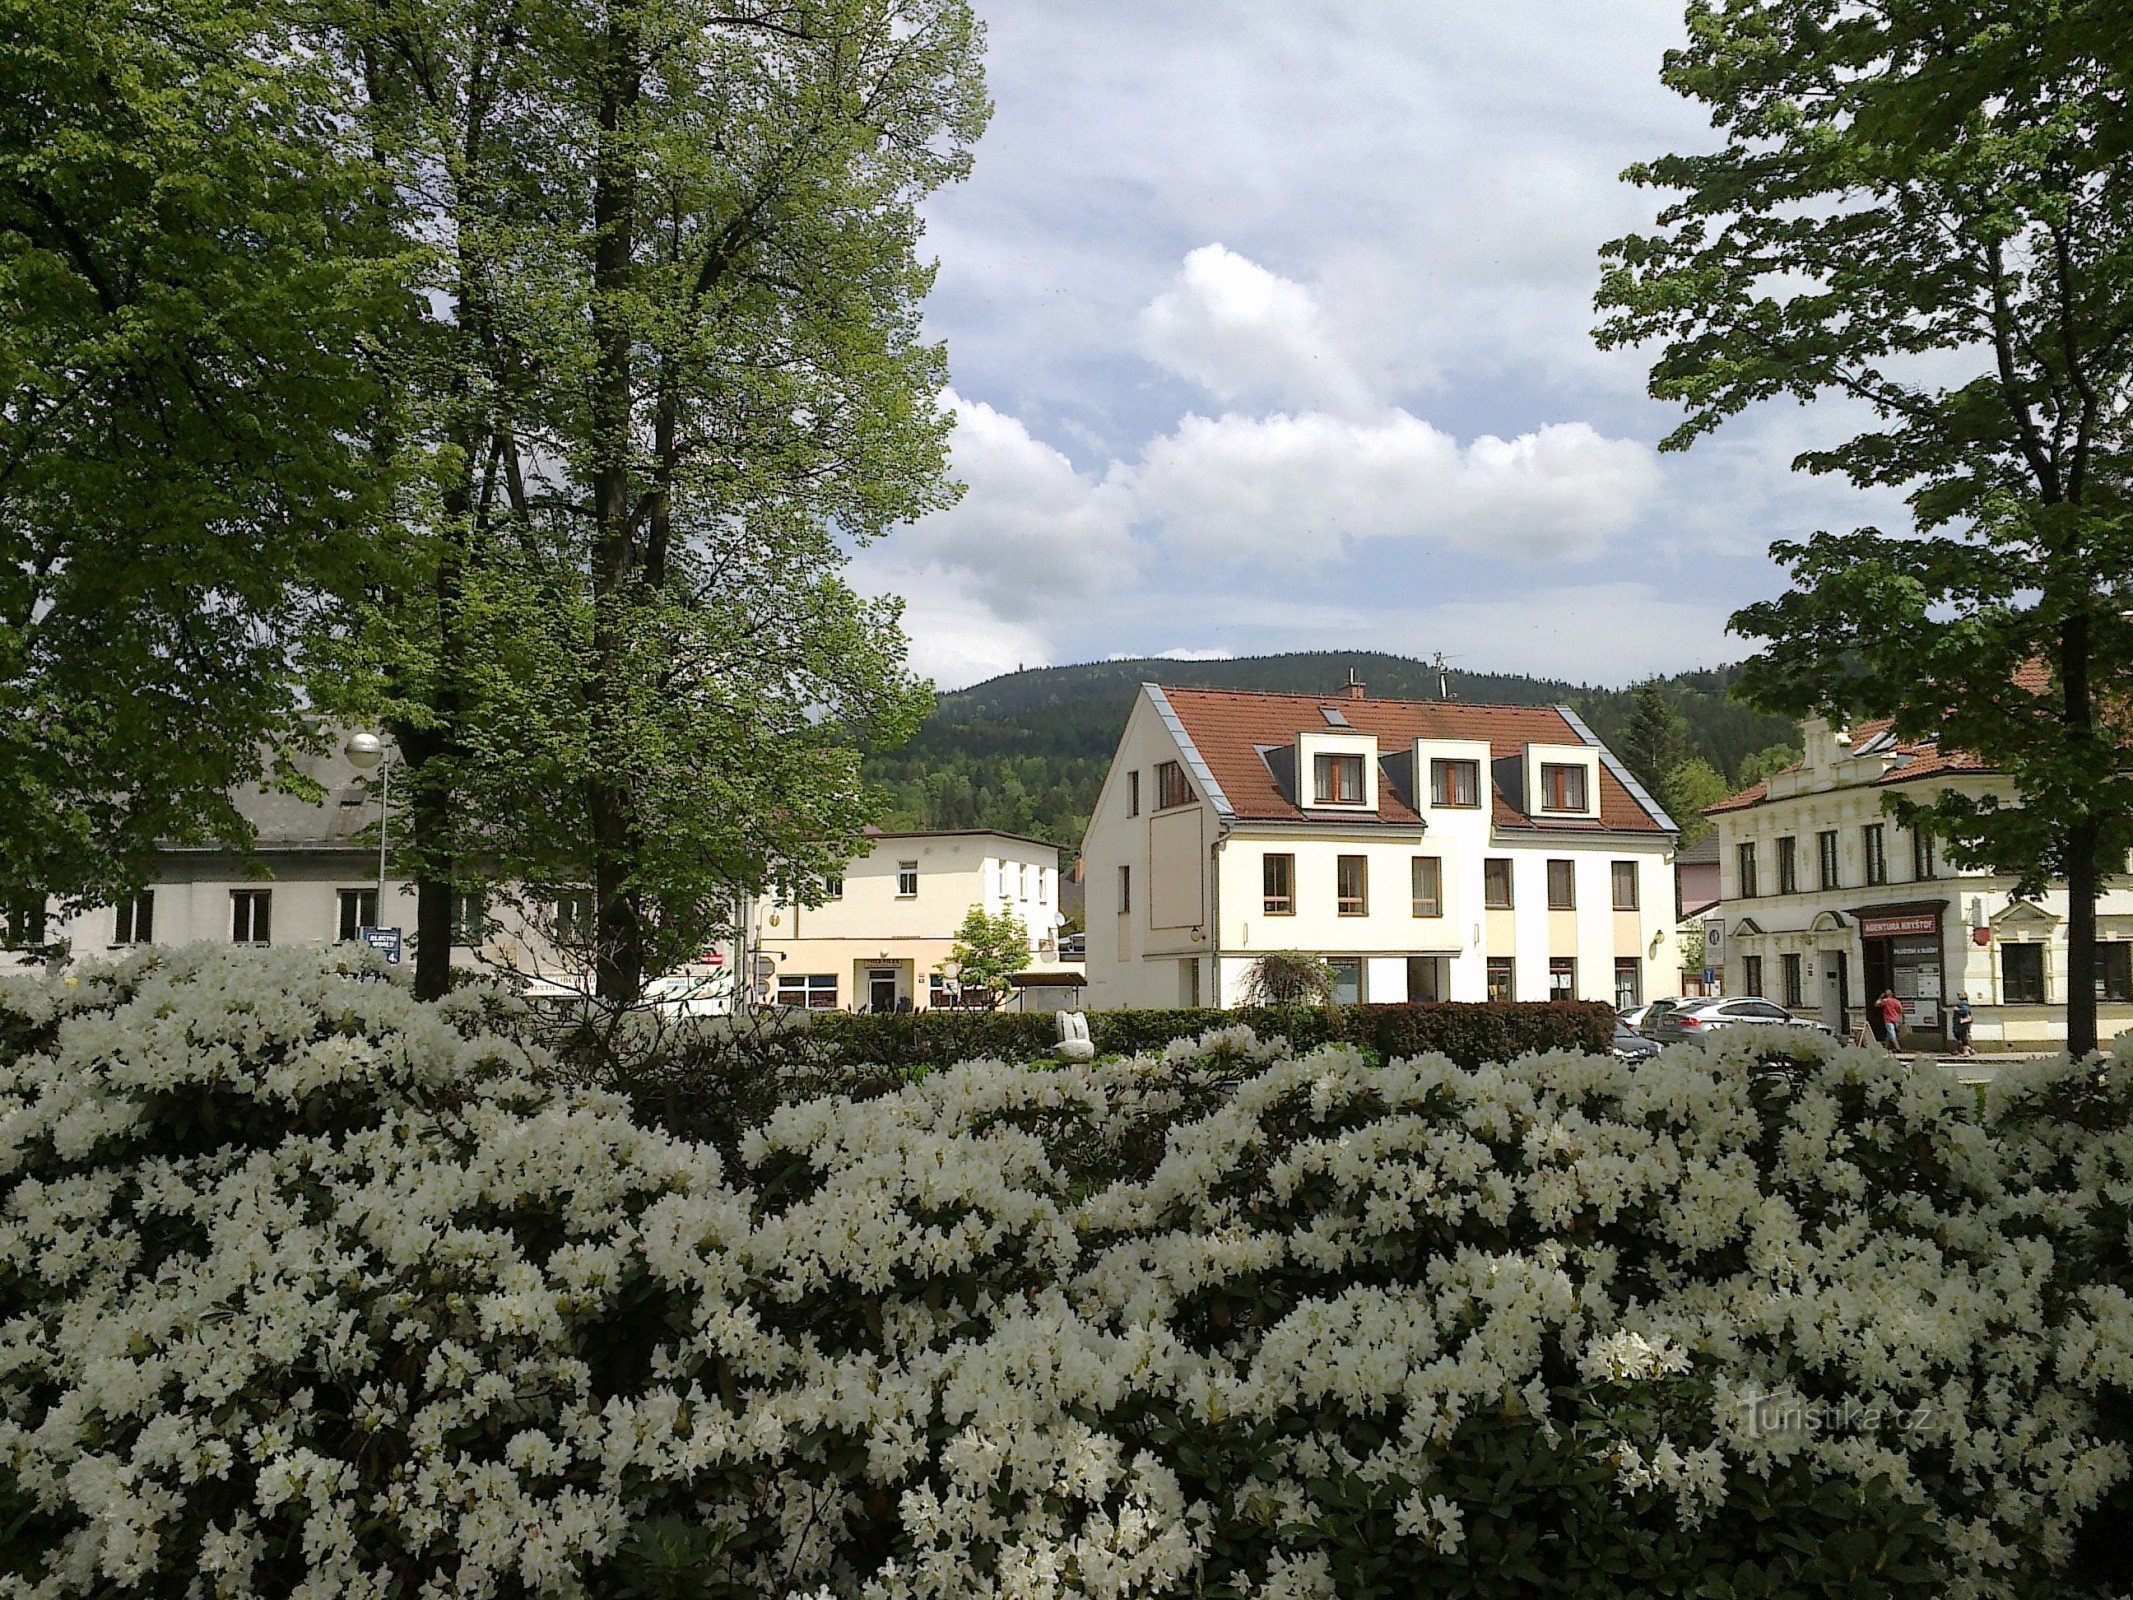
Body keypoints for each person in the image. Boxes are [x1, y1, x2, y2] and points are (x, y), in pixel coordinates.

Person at [1952, 993, 1974, 1057]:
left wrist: (1958, 1010)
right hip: (1961, 1024)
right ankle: (1969, 1049)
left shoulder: (1963, 1004)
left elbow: (1965, 1010)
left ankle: (1966, 1052)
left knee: (1963, 1037)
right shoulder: (1964, 1003)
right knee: (1962, 1037)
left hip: (1962, 1024)